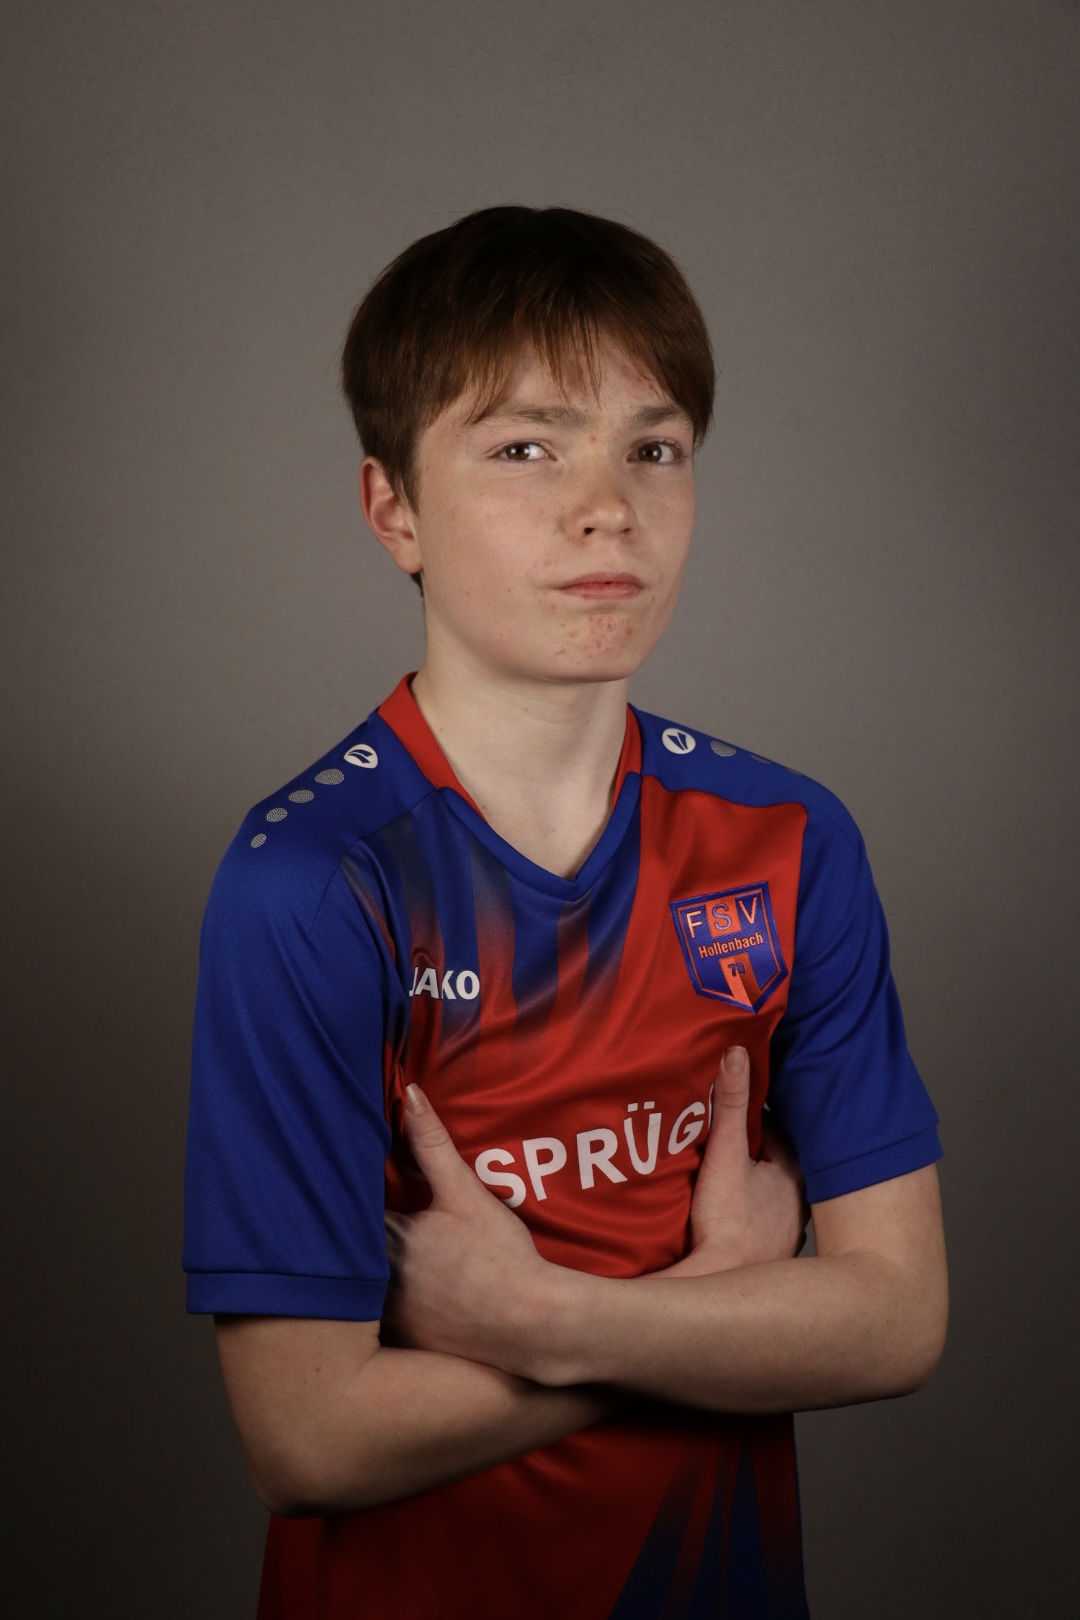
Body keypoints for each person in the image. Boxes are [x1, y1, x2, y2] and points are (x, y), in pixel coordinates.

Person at [183, 205, 947, 1619]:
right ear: (394, 511)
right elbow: (308, 1437)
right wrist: (716, 1301)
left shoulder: (790, 839)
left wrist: (547, 1319)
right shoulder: (315, 883)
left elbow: (897, 1320)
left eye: (654, 449)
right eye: (526, 448)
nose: (608, 506)